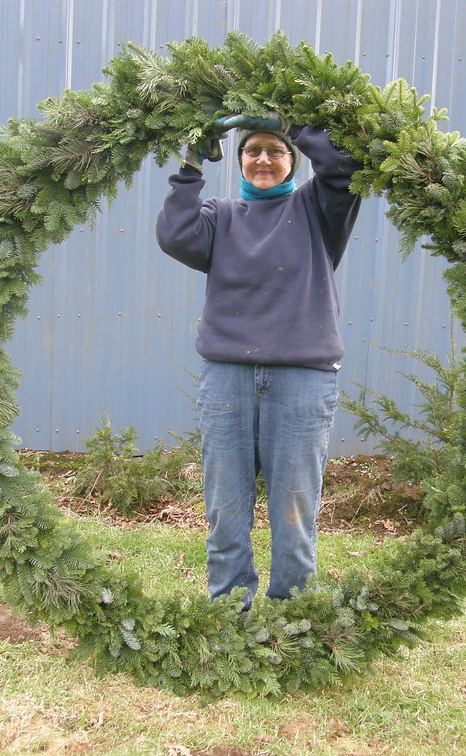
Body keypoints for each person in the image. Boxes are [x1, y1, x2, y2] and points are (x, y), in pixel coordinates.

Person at [156, 112, 362, 608]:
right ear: (239, 160)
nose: (264, 159)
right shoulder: (219, 217)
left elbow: (341, 168)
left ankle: (293, 614)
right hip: (227, 378)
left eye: (276, 150)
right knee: (226, 507)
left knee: (294, 509)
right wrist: (190, 164)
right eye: (253, 150)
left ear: (292, 161)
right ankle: (231, 610)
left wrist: (291, 120)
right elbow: (175, 234)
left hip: (302, 380)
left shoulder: (318, 211)